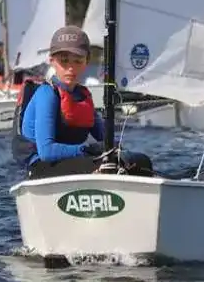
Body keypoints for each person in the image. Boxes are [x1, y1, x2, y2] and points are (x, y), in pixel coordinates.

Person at [18, 25, 151, 178]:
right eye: (64, 61)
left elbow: (105, 140)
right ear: (52, 61)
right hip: (42, 166)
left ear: (87, 61)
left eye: (78, 61)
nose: (71, 68)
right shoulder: (47, 94)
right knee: (106, 167)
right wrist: (86, 149)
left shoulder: (83, 96)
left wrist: (121, 152)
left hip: (74, 161)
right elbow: (46, 152)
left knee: (141, 162)